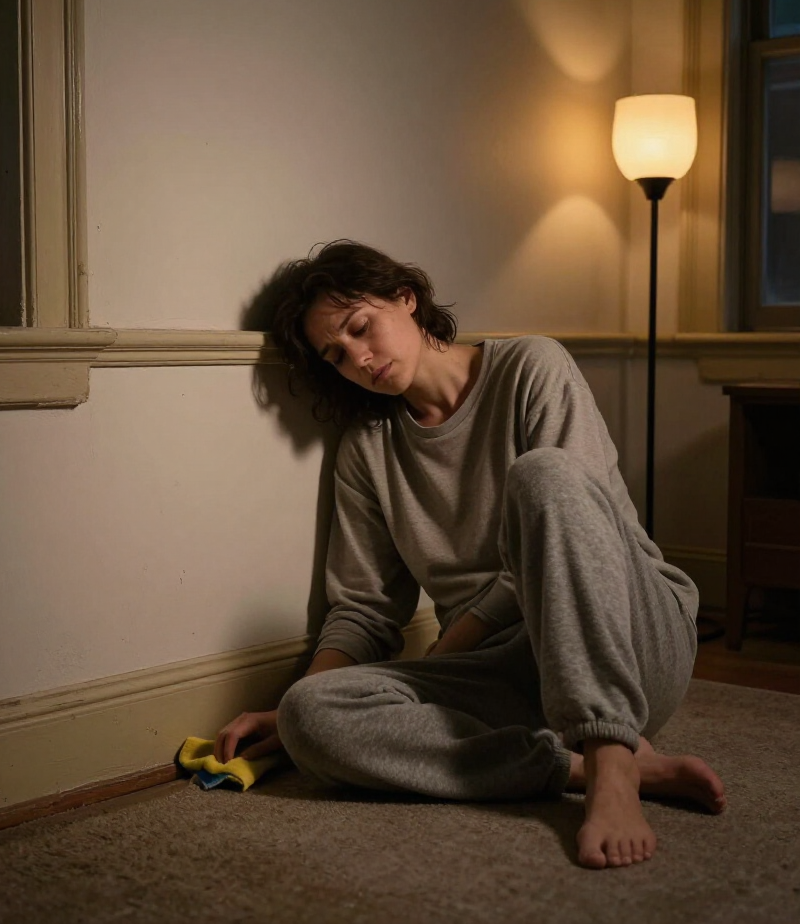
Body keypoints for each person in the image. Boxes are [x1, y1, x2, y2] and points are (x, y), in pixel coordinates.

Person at [216, 240, 725, 869]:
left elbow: (575, 524)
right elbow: (364, 610)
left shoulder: (532, 367)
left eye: (360, 327)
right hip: (511, 675)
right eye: (336, 355)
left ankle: (612, 763)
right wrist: (291, 708)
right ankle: (567, 767)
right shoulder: (366, 450)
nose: (358, 357)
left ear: (406, 297)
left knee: (545, 476)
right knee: (309, 716)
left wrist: (453, 640)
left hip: (629, 636)